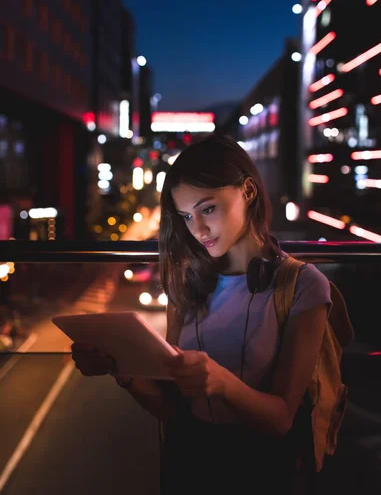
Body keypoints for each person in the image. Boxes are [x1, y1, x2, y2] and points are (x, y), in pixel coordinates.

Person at [72, 134, 331, 494]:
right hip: (186, 462)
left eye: (208, 209)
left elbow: (281, 419)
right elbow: (171, 410)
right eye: (185, 216)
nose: (198, 230)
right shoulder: (186, 284)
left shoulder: (303, 285)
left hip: (261, 471)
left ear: (249, 191)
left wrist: (221, 382)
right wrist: (121, 369)